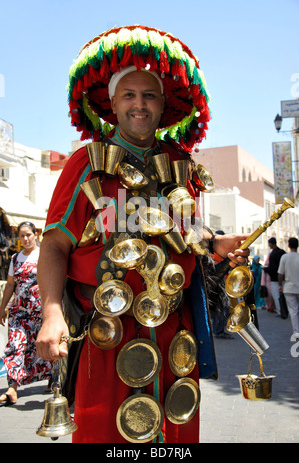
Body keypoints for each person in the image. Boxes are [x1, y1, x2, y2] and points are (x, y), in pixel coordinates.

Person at [36, 25, 250, 443]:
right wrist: (52, 312)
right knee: (106, 438)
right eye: (129, 95)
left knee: (176, 440)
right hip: (105, 334)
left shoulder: (181, 166)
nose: (139, 104)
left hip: (174, 334)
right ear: (112, 104)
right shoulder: (84, 166)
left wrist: (213, 244)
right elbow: (55, 245)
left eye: (148, 95)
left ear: (163, 104)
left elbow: (186, 235)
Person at [0, 222, 52, 406]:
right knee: (16, 345)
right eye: (21, 236)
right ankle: (12, 388)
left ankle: (52, 377)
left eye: (28, 235)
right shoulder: (15, 258)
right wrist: (2, 308)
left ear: (36, 234)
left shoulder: (45, 255)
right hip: (19, 312)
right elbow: (10, 285)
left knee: (43, 345)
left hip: (41, 310)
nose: (25, 239)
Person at [278, 238, 299, 339]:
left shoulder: (285, 257)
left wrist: (280, 285)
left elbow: (280, 273)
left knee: (293, 310)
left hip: (289, 287)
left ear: (289, 245)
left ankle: (296, 331)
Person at [264, 237, 285, 315]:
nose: (269, 245)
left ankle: (280, 311)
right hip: (283, 277)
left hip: (274, 278)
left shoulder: (273, 254)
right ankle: (285, 310)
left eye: (269, 244)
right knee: (283, 295)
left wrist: (265, 269)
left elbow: (272, 268)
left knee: (276, 296)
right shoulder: (282, 252)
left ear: (271, 244)